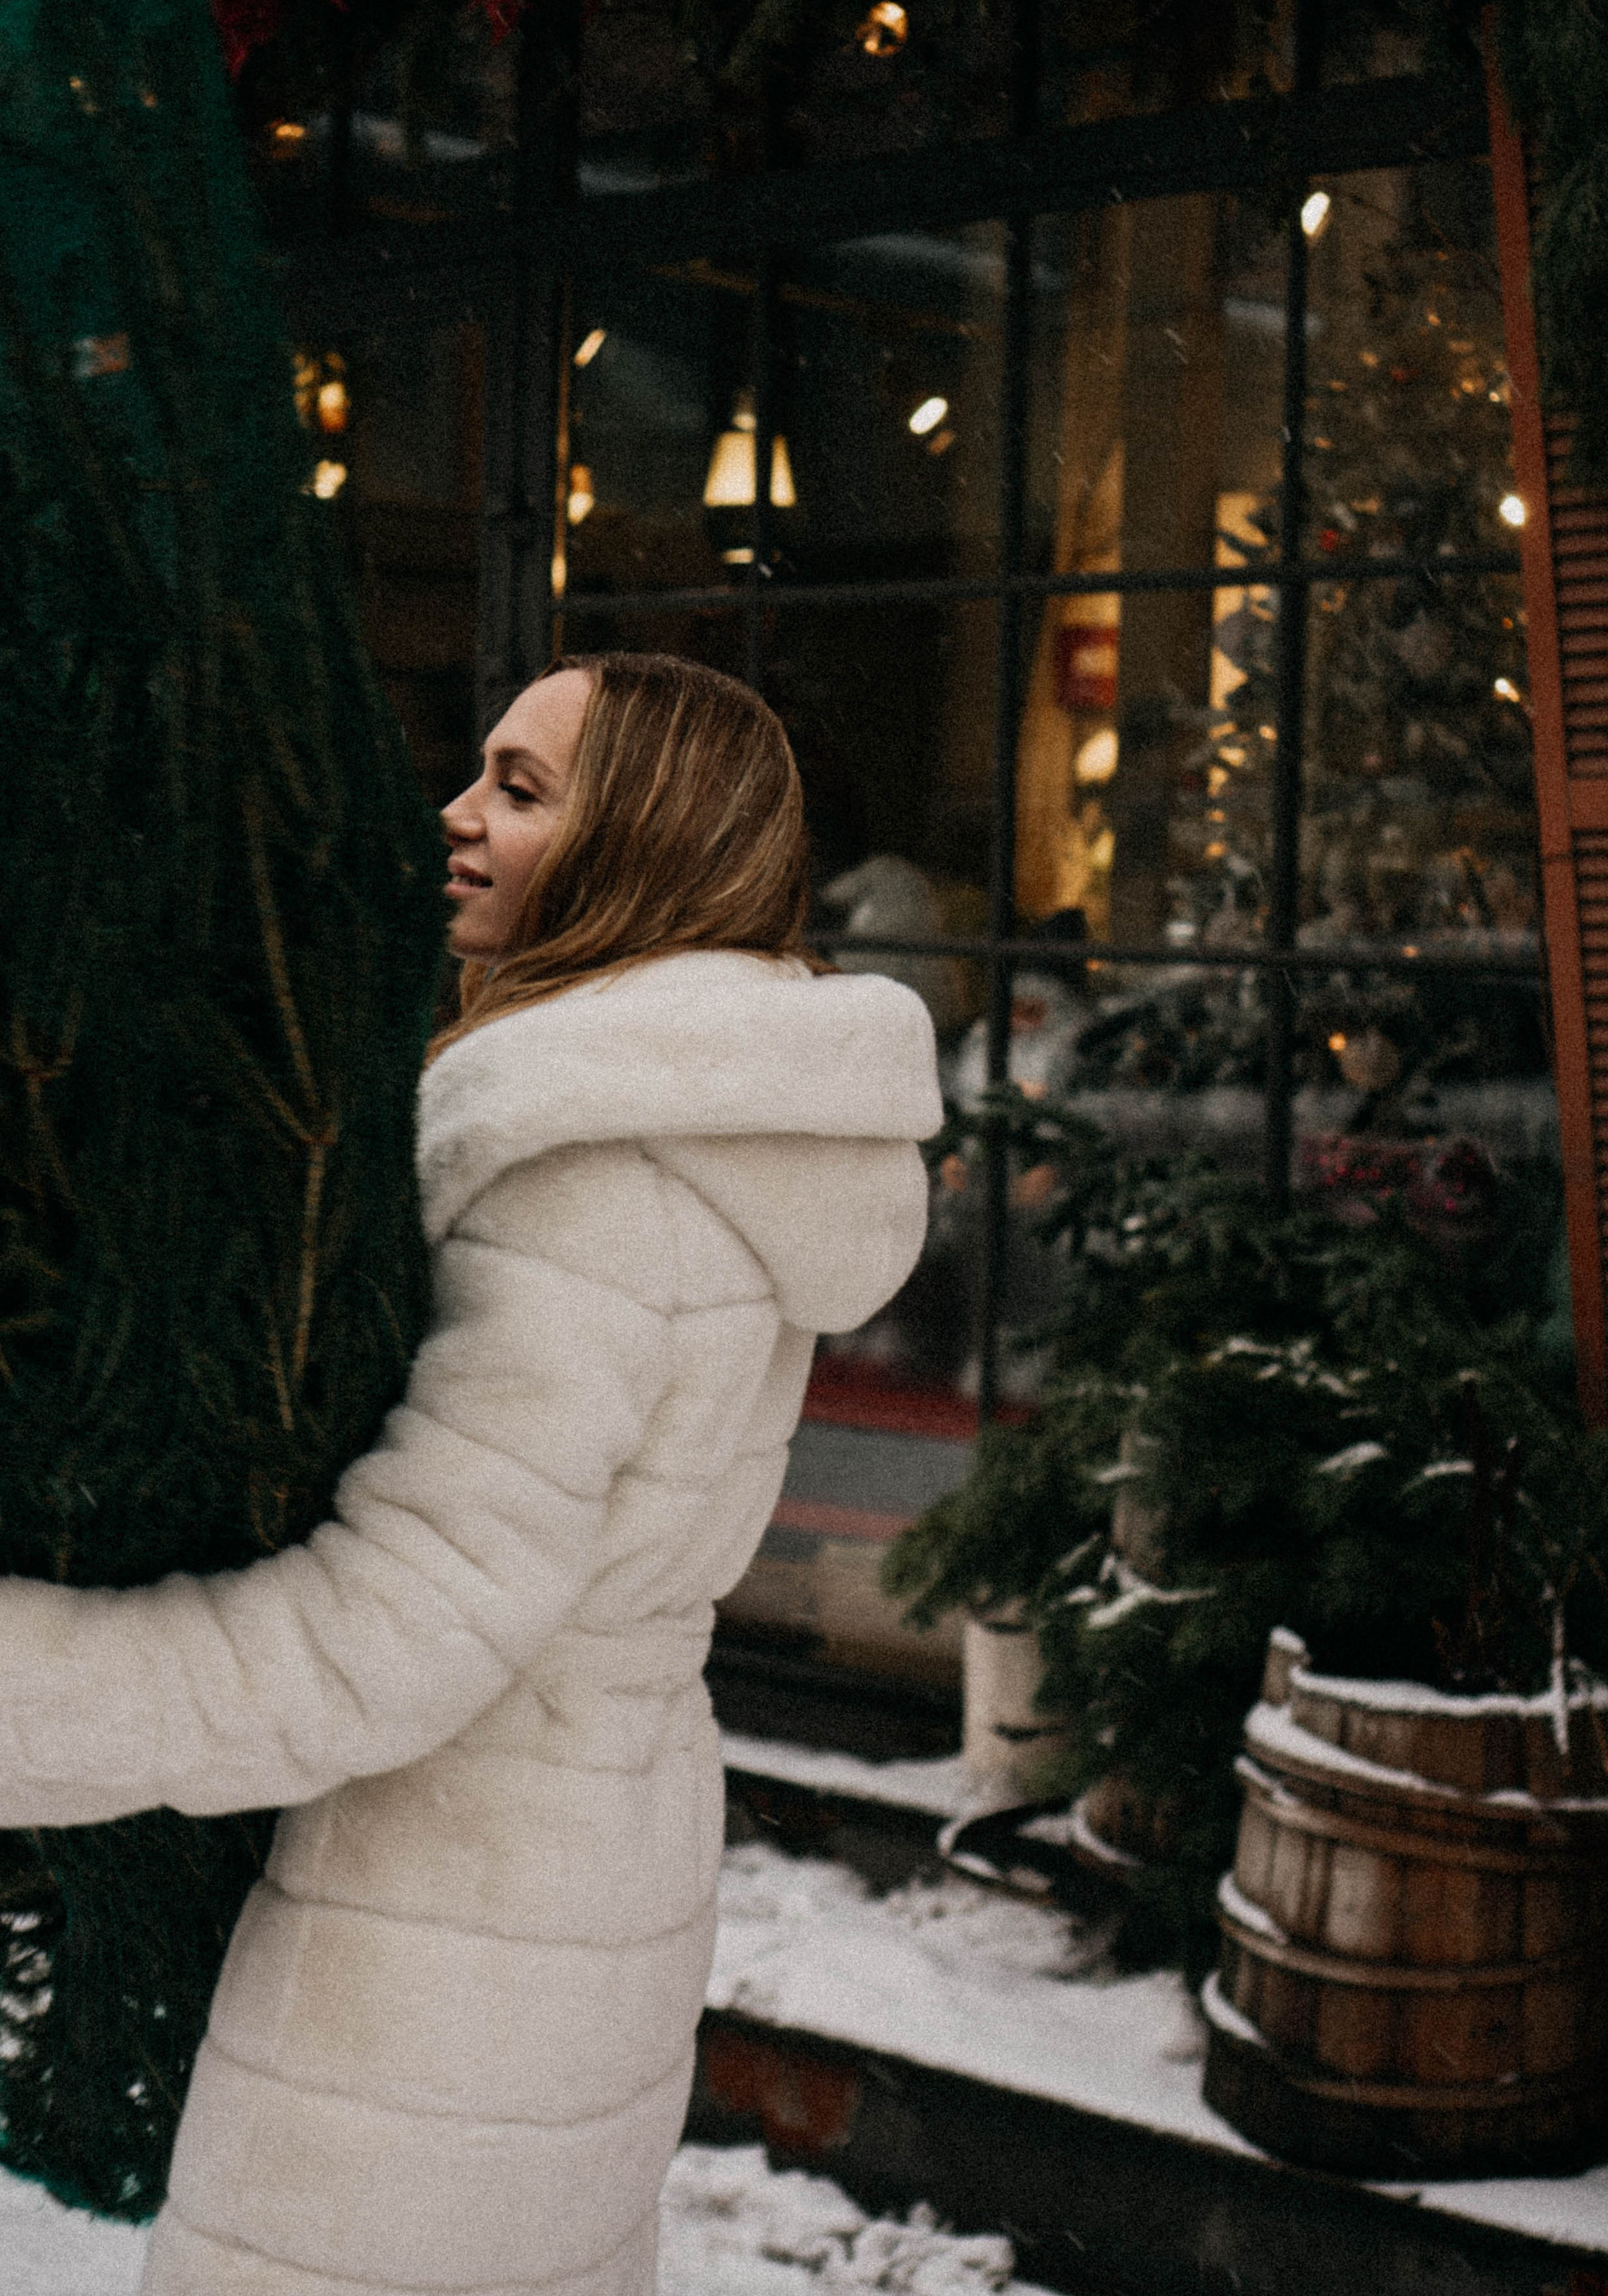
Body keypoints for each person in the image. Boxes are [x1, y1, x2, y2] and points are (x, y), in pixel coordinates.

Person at [0, 652, 941, 2296]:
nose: (456, 813)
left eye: (519, 787)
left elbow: (382, 1644)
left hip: (440, 1936)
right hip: (578, 1879)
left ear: (638, 846)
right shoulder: (704, 1149)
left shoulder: (589, 1186)